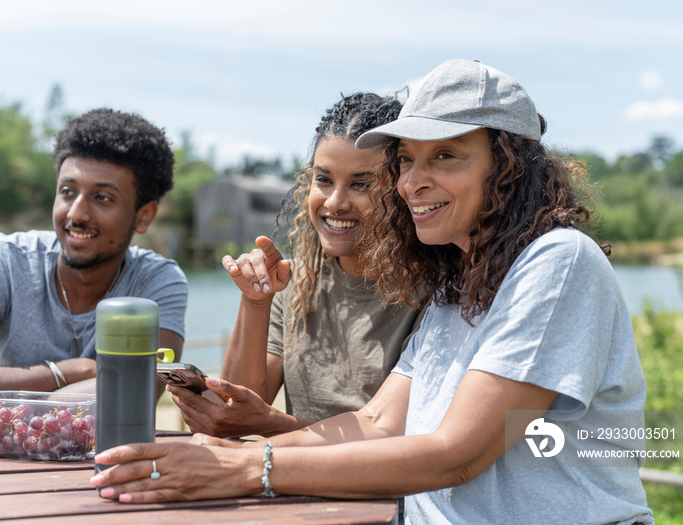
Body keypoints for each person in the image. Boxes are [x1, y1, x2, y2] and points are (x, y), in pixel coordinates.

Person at [90, 60, 653, 524]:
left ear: (509, 166)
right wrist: (221, 452)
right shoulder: (460, 282)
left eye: (446, 155)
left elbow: (459, 454)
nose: (412, 181)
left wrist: (248, 466)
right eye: (406, 160)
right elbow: (378, 424)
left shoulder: (556, 261)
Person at [168, 92, 427, 438]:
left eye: (361, 184)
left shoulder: (432, 292)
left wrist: (273, 424)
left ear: (400, 189)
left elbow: (396, 437)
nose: (335, 202)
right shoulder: (297, 283)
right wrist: (255, 301)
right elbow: (234, 412)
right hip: (296, 483)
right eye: (323, 179)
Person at [0, 108, 187, 394]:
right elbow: (120, 387)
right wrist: (71, 371)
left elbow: (139, 393)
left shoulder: (156, 282)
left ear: (144, 216)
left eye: (102, 198)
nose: (77, 213)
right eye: (67, 191)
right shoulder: (8, 261)